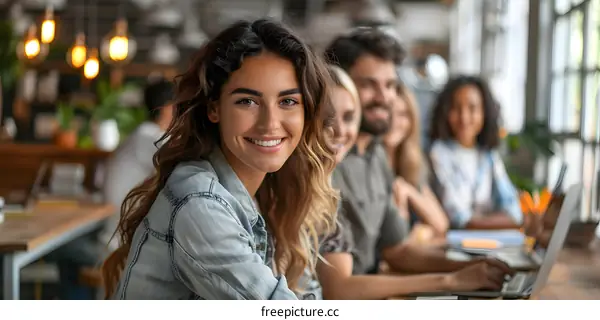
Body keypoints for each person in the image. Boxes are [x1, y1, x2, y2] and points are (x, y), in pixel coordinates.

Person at [101, 19, 339, 300]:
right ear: (214, 108)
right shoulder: (200, 203)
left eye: (287, 101)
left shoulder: (270, 193)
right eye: (247, 101)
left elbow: (308, 297)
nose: (270, 124)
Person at [322, 27, 513, 293]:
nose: (384, 97)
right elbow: (337, 290)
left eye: (389, 85)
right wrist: (451, 280)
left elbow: (396, 250)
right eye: (368, 84)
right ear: (339, 82)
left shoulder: (376, 155)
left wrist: (470, 267)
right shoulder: (327, 161)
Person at [428, 75, 523, 230]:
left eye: (472, 108)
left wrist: (513, 219)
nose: (464, 118)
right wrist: (509, 220)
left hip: (489, 239)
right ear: (445, 112)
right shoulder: (439, 153)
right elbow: (459, 218)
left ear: (484, 113)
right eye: (456, 108)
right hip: (452, 242)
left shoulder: (488, 156)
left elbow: (514, 209)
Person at [100, 78, 175, 252]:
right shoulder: (149, 138)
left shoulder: (144, 135)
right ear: (166, 108)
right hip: (121, 243)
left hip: (124, 236)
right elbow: (190, 161)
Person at [383, 83, 448, 242]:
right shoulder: (368, 162)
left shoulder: (412, 161)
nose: (394, 121)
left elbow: (441, 223)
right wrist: (421, 233)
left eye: (403, 114)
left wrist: (408, 190)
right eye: (388, 112)